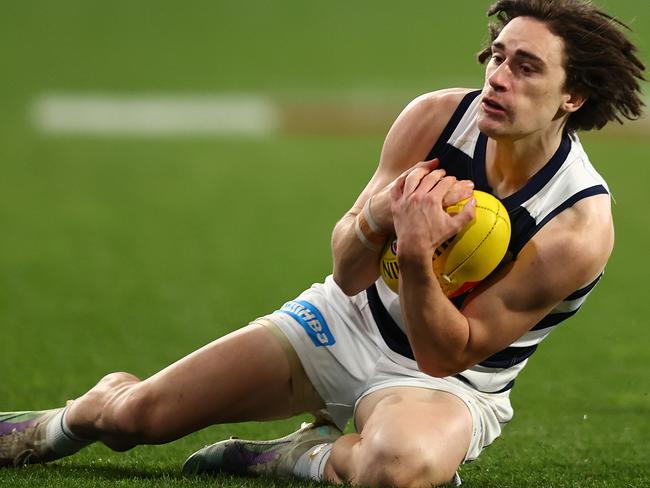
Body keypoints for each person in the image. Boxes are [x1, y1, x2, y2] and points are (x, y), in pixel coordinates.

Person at [1, 0, 645, 486]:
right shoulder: (437, 118)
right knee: (133, 421)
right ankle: (62, 422)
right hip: (342, 322)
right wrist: (380, 219)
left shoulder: (576, 225)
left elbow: (449, 355)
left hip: (447, 386)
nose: (499, 77)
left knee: (400, 470)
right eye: (498, 55)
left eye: (526, 67)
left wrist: (418, 255)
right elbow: (347, 270)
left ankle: (292, 455)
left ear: (572, 96)